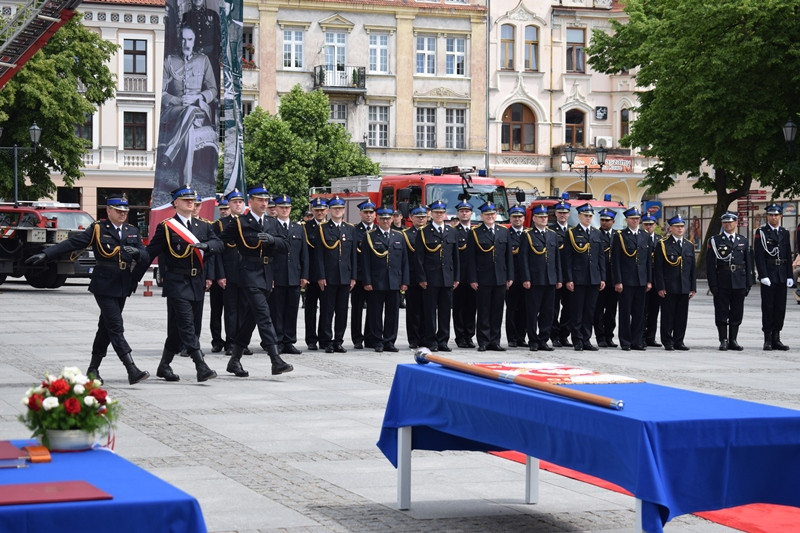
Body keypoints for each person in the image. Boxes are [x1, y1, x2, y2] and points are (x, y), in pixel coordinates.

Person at [25, 194, 150, 385]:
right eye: (118, 211)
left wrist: (137, 253)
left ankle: (93, 369)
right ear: (108, 211)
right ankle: (131, 368)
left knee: (106, 328)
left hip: (123, 283)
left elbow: (145, 255)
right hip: (104, 284)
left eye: (125, 211)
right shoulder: (98, 229)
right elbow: (73, 243)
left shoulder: (131, 230)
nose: (122, 214)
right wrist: (46, 254)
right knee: (116, 326)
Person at [146, 184, 222, 382]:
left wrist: (207, 246)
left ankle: (164, 366)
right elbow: (150, 253)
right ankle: (201, 365)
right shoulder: (167, 227)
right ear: (175, 203)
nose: (191, 203)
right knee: (187, 325)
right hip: (176, 282)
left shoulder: (203, 226)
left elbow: (218, 244)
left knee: (177, 329)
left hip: (196, 281)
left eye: (192, 200)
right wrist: (132, 272)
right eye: (186, 200)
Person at [219, 185, 294, 376]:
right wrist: (207, 247)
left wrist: (272, 240)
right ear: (250, 202)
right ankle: (275, 359)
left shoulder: (272, 222)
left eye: (266, 200)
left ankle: (234, 361)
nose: (264, 203)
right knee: (263, 315)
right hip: (249, 273)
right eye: (260, 200)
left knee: (250, 319)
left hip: (267, 274)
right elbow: (221, 241)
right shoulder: (240, 222)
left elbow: (286, 245)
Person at [159, 24, 218, 183]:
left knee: (191, 113)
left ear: (194, 41)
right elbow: (160, 91)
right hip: (174, 110)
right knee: (189, 129)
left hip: (199, 111)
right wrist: (177, 100)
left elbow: (213, 90)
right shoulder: (169, 61)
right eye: (183, 39)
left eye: (189, 39)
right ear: (180, 41)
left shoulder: (203, 60)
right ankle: (186, 186)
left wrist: (199, 96)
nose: (186, 44)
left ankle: (170, 156)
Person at [466, 201, 513, 351]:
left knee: (498, 311)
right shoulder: (475, 232)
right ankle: (483, 341)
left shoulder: (503, 231)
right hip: (483, 278)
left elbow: (509, 257)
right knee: (484, 310)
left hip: (500, 277)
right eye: (487, 214)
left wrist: (510, 276)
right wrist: (472, 278)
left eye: (492, 214)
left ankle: (495, 340)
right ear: (481, 216)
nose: (490, 216)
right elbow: (470, 258)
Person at [362, 207, 409, 352]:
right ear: (378, 219)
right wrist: (367, 281)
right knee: (376, 313)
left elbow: (404, 261)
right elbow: (365, 261)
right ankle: (377, 341)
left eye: (388, 219)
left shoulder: (398, 236)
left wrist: (404, 281)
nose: (386, 221)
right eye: (383, 219)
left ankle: (389, 341)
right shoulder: (370, 236)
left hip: (394, 281)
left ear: (392, 219)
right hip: (377, 281)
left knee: (393, 314)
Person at [415, 200, 459, 352]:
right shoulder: (424, 232)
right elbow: (419, 258)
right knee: (429, 311)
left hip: (447, 277)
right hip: (430, 278)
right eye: (436, 213)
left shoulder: (451, 231)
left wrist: (456, 277)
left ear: (444, 214)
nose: (439, 215)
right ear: (431, 214)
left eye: (441, 212)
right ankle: (431, 340)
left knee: (445, 311)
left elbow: (455, 257)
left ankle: (443, 340)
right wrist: (421, 277)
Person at [706, 211, 753, 351]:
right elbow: (710, 265)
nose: (728, 224)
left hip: (739, 280)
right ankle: (723, 340)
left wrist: (749, 282)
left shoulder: (742, 240)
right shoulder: (715, 241)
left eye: (731, 222)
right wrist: (713, 284)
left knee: (737, 311)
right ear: (722, 224)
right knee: (721, 311)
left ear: (736, 223)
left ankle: (733, 339)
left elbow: (749, 262)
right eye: (725, 222)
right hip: (722, 280)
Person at [562, 203, 606, 351]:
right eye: (585, 216)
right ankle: (577, 340)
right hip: (578, 277)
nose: (588, 218)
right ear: (579, 216)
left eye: (590, 216)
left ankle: (586, 338)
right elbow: (567, 258)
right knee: (577, 310)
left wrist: (602, 277)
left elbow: (601, 257)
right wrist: (569, 278)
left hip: (593, 277)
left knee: (589, 311)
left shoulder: (596, 233)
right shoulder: (572, 233)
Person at [316, 196, 357, 353]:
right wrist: (321, 276)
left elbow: (353, 255)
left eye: (340, 208)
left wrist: (353, 276)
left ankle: (338, 340)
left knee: (342, 310)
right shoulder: (323, 228)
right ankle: (326, 341)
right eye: (334, 208)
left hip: (345, 276)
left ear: (344, 210)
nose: (338, 211)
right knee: (327, 310)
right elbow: (319, 255)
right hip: (329, 276)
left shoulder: (350, 229)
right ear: (329, 211)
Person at [269, 194, 309, 355]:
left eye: (287, 207)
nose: (285, 210)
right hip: (277, 276)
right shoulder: (271, 228)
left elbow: (304, 254)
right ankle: (277, 340)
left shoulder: (298, 228)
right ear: (276, 209)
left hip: (294, 275)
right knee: (276, 310)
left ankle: (289, 341)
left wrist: (304, 275)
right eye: (282, 207)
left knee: (292, 310)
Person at [520, 204, 561, 352]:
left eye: (545, 217)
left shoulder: (552, 235)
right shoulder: (528, 235)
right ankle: (533, 339)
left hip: (550, 279)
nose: (544, 219)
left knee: (548, 312)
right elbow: (523, 258)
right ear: (535, 219)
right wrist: (526, 278)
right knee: (532, 311)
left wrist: (559, 278)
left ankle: (544, 339)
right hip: (535, 279)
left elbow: (557, 259)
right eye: (541, 217)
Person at [753, 204, 793, 350]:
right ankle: (768, 339)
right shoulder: (762, 232)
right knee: (768, 307)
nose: (774, 217)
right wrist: (762, 274)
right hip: (769, 273)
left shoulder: (784, 232)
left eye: (776, 215)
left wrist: (789, 275)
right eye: (771, 215)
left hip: (782, 274)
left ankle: (777, 337)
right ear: (767, 216)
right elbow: (759, 255)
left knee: (780, 307)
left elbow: (788, 254)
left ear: (780, 216)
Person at [611, 207, 652, 351]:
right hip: (626, 280)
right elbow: (615, 260)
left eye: (637, 218)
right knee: (625, 312)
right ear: (627, 220)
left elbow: (647, 260)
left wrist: (649, 280)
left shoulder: (644, 235)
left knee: (639, 313)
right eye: (632, 218)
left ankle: (637, 341)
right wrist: (618, 281)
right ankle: (625, 341)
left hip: (641, 280)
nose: (635, 221)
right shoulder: (620, 235)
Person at [653, 214, 696, 351]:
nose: (680, 229)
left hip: (684, 286)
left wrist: (692, 287)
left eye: (682, 226)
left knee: (682, 316)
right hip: (669, 286)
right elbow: (658, 268)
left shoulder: (689, 245)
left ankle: (679, 340)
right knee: (668, 315)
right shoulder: (663, 244)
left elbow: (692, 268)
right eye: (677, 227)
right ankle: (667, 340)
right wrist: (660, 286)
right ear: (670, 228)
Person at [401, 206, 428, 349]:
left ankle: (425, 337)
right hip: (412, 277)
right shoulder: (406, 234)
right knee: (413, 310)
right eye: (418, 216)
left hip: (429, 278)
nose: (421, 219)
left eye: (423, 216)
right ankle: (413, 338)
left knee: (427, 310)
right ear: (411, 218)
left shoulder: (430, 233)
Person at [303, 197, 328, 350]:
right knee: (310, 308)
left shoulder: (331, 227)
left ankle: (324, 338)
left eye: (322, 210)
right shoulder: (305, 227)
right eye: (316, 210)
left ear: (327, 211)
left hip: (327, 274)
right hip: (311, 274)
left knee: (326, 309)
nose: (319, 212)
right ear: (312, 211)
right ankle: (311, 339)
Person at [352, 201, 377, 349]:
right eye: (365, 212)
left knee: (373, 309)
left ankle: (370, 337)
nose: (368, 215)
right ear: (360, 214)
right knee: (357, 309)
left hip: (374, 277)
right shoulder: (354, 231)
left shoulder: (378, 231)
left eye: (371, 212)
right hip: (359, 276)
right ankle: (357, 338)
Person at [452, 201, 477, 348]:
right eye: (462, 211)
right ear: (458, 214)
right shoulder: (454, 231)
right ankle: (460, 336)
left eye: (467, 211)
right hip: (459, 277)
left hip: (473, 277)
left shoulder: (476, 232)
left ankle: (470, 335)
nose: (464, 213)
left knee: (472, 308)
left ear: (471, 213)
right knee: (459, 308)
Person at [549, 197, 573, 347]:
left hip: (570, 274)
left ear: (569, 214)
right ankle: (554, 335)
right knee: (553, 307)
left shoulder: (573, 231)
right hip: (555, 274)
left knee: (569, 307)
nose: (563, 215)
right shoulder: (551, 231)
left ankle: (565, 334)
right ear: (555, 214)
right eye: (560, 212)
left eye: (565, 213)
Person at [181, 0, 221, 88]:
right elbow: (183, 36)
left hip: (211, 56)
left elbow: (218, 37)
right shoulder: (187, 16)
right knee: (195, 81)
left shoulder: (213, 15)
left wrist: (217, 54)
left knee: (213, 82)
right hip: (194, 56)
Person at [505, 205, 528, 347]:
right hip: (512, 278)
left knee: (525, 309)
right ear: (510, 218)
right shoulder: (506, 234)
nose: (517, 219)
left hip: (526, 278)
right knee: (512, 309)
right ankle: (512, 338)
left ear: (524, 218)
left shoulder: (529, 234)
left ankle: (521, 337)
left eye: (520, 217)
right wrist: (508, 277)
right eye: (515, 217)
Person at [594, 208, 618, 347]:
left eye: (607, 220)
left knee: (611, 310)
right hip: (600, 277)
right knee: (598, 310)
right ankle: (600, 336)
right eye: (602, 220)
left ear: (613, 222)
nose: (604, 223)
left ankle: (609, 335)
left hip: (613, 278)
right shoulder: (596, 234)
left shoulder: (617, 235)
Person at [208, 197, 229, 353]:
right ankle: (217, 340)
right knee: (216, 311)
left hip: (233, 275)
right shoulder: (215, 226)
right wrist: (218, 275)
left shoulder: (238, 224)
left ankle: (231, 341)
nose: (224, 211)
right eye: (221, 209)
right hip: (218, 275)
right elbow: (215, 253)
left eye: (226, 208)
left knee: (232, 311)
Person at [641, 215, 662, 346]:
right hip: (643, 279)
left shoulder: (660, 240)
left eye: (651, 224)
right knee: (642, 310)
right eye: (646, 224)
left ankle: (651, 337)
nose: (648, 227)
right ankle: (641, 336)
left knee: (654, 310)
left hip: (656, 280)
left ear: (655, 225)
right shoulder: (640, 238)